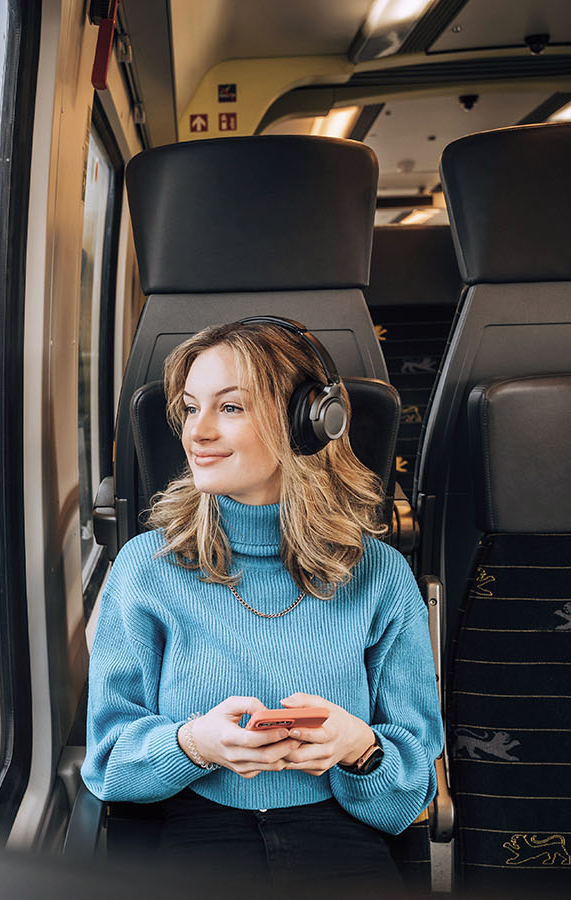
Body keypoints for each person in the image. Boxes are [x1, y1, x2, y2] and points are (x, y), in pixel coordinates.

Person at [80, 319, 441, 888]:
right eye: (189, 408)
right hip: (191, 833)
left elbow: (408, 796)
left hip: (342, 833)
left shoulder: (381, 576)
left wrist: (360, 750)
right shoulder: (145, 567)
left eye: (229, 408)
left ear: (309, 423)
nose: (197, 432)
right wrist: (193, 744)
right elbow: (107, 764)